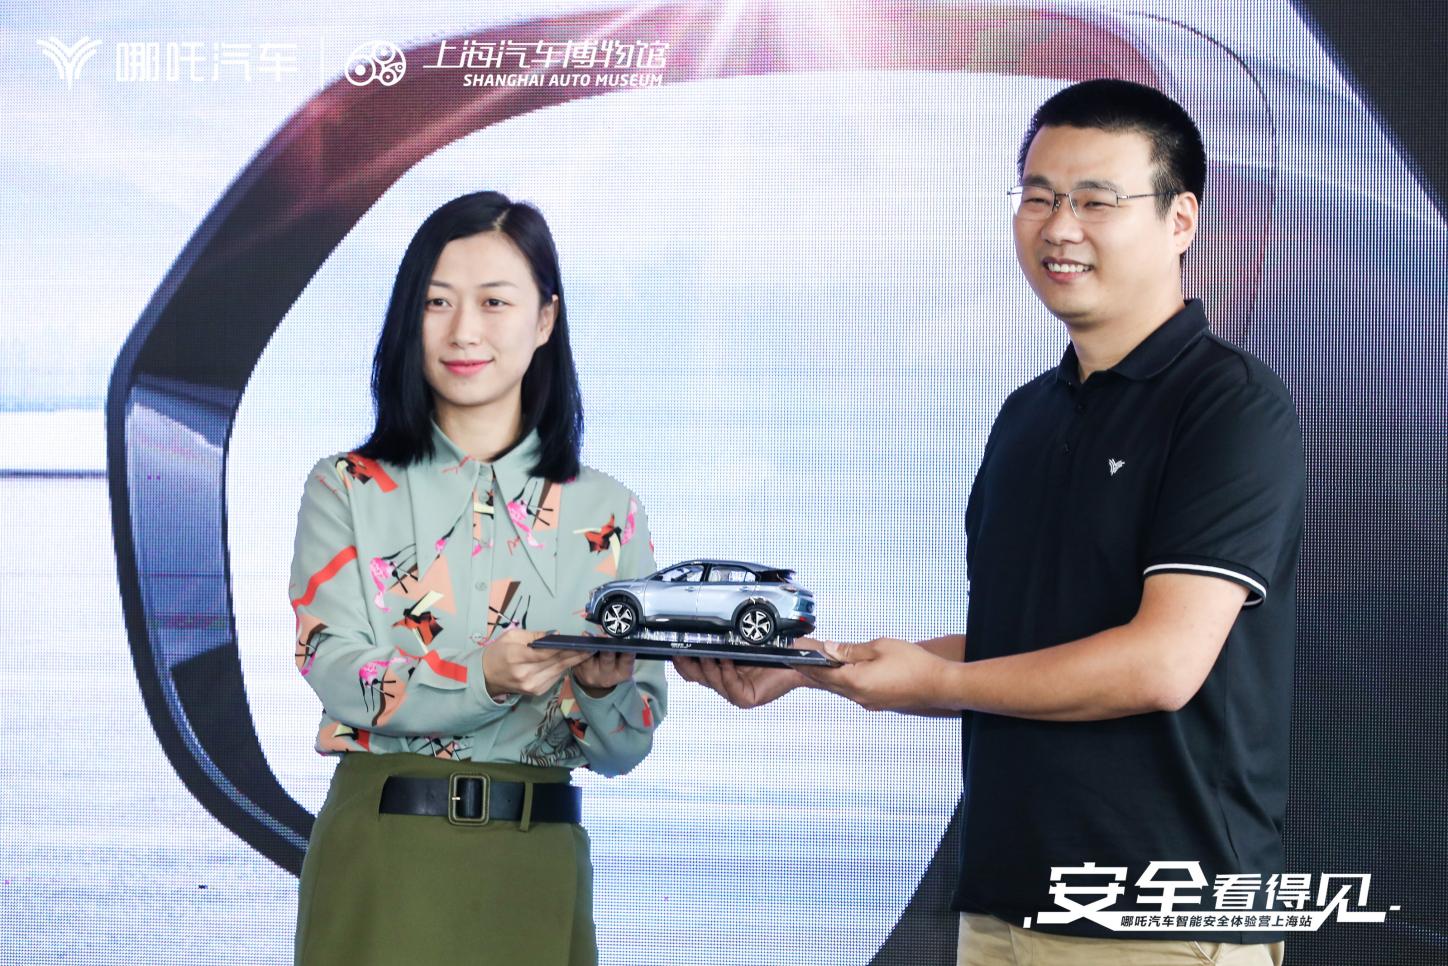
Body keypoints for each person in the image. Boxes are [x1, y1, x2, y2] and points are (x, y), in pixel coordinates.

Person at [676, 79, 1303, 965]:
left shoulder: (1229, 406)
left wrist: (934, 683)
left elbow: (1160, 664)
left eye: (1096, 201)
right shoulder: (1028, 416)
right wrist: (817, 669)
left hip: (1161, 921)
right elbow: (1023, 647)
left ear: (1180, 221)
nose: (1060, 227)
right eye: (1038, 197)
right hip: (1003, 910)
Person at [289, 191, 665, 965]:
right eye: (437, 302)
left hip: (540, 865)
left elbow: (627, 748)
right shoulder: (346, 488)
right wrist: (485, 677)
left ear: (545, 319)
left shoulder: (610, 511)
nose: (464, 330)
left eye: (495, 301)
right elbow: (337, 670)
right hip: (386, 854)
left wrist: (602, 692)